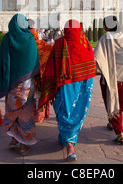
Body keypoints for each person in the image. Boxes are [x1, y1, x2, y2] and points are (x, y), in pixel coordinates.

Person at [38, 19, 95, 162]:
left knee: (65, 110)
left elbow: (52, 67)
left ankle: (69, 144)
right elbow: (90, 68)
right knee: (77, 112)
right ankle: (67, 139)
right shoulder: (85, 44)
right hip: (83, 87)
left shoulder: (59, 44)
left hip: (65, 86)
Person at [0, 14, 40, 156]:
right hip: (27, 83)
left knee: (12, 110)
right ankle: (24, 145)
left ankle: (14, 139)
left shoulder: (7, 38)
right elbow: (34, 59)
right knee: (25, 112)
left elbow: (4, 61)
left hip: (12, 83)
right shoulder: (29, 37)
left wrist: (5, 80)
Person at [93, 16, 123, 145]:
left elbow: (97, 57)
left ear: (107, 26)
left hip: (109, 78)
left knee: (112, 103)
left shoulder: (104, 39)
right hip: (122, 79)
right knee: (120, 102)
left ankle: (119, 133)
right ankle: (112, 122)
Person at [27, 19, 54, 123]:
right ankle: (38, 115)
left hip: (26, 74)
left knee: (28, 97)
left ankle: (27, 115)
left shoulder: (22, 43)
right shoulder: (42, 45)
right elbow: (50, 50)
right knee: (39, 95)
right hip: (40, 74)